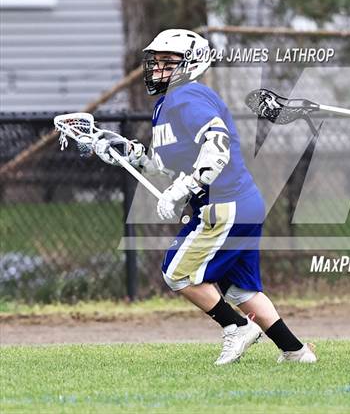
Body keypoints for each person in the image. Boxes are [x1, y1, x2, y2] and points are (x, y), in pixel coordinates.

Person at [93, 29, 316, 365]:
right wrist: (127, 153)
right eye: (156, 61)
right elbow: (165, 164)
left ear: (192, 64)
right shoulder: (167, 103)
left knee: (176, 272)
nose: (158, 68)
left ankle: (236, 326)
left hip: (224, 204)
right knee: (241, 290)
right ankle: (296, 351)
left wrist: (183, 188)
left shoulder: (187, 97)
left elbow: (217, 145)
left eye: (168, 62)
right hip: (238, 203)